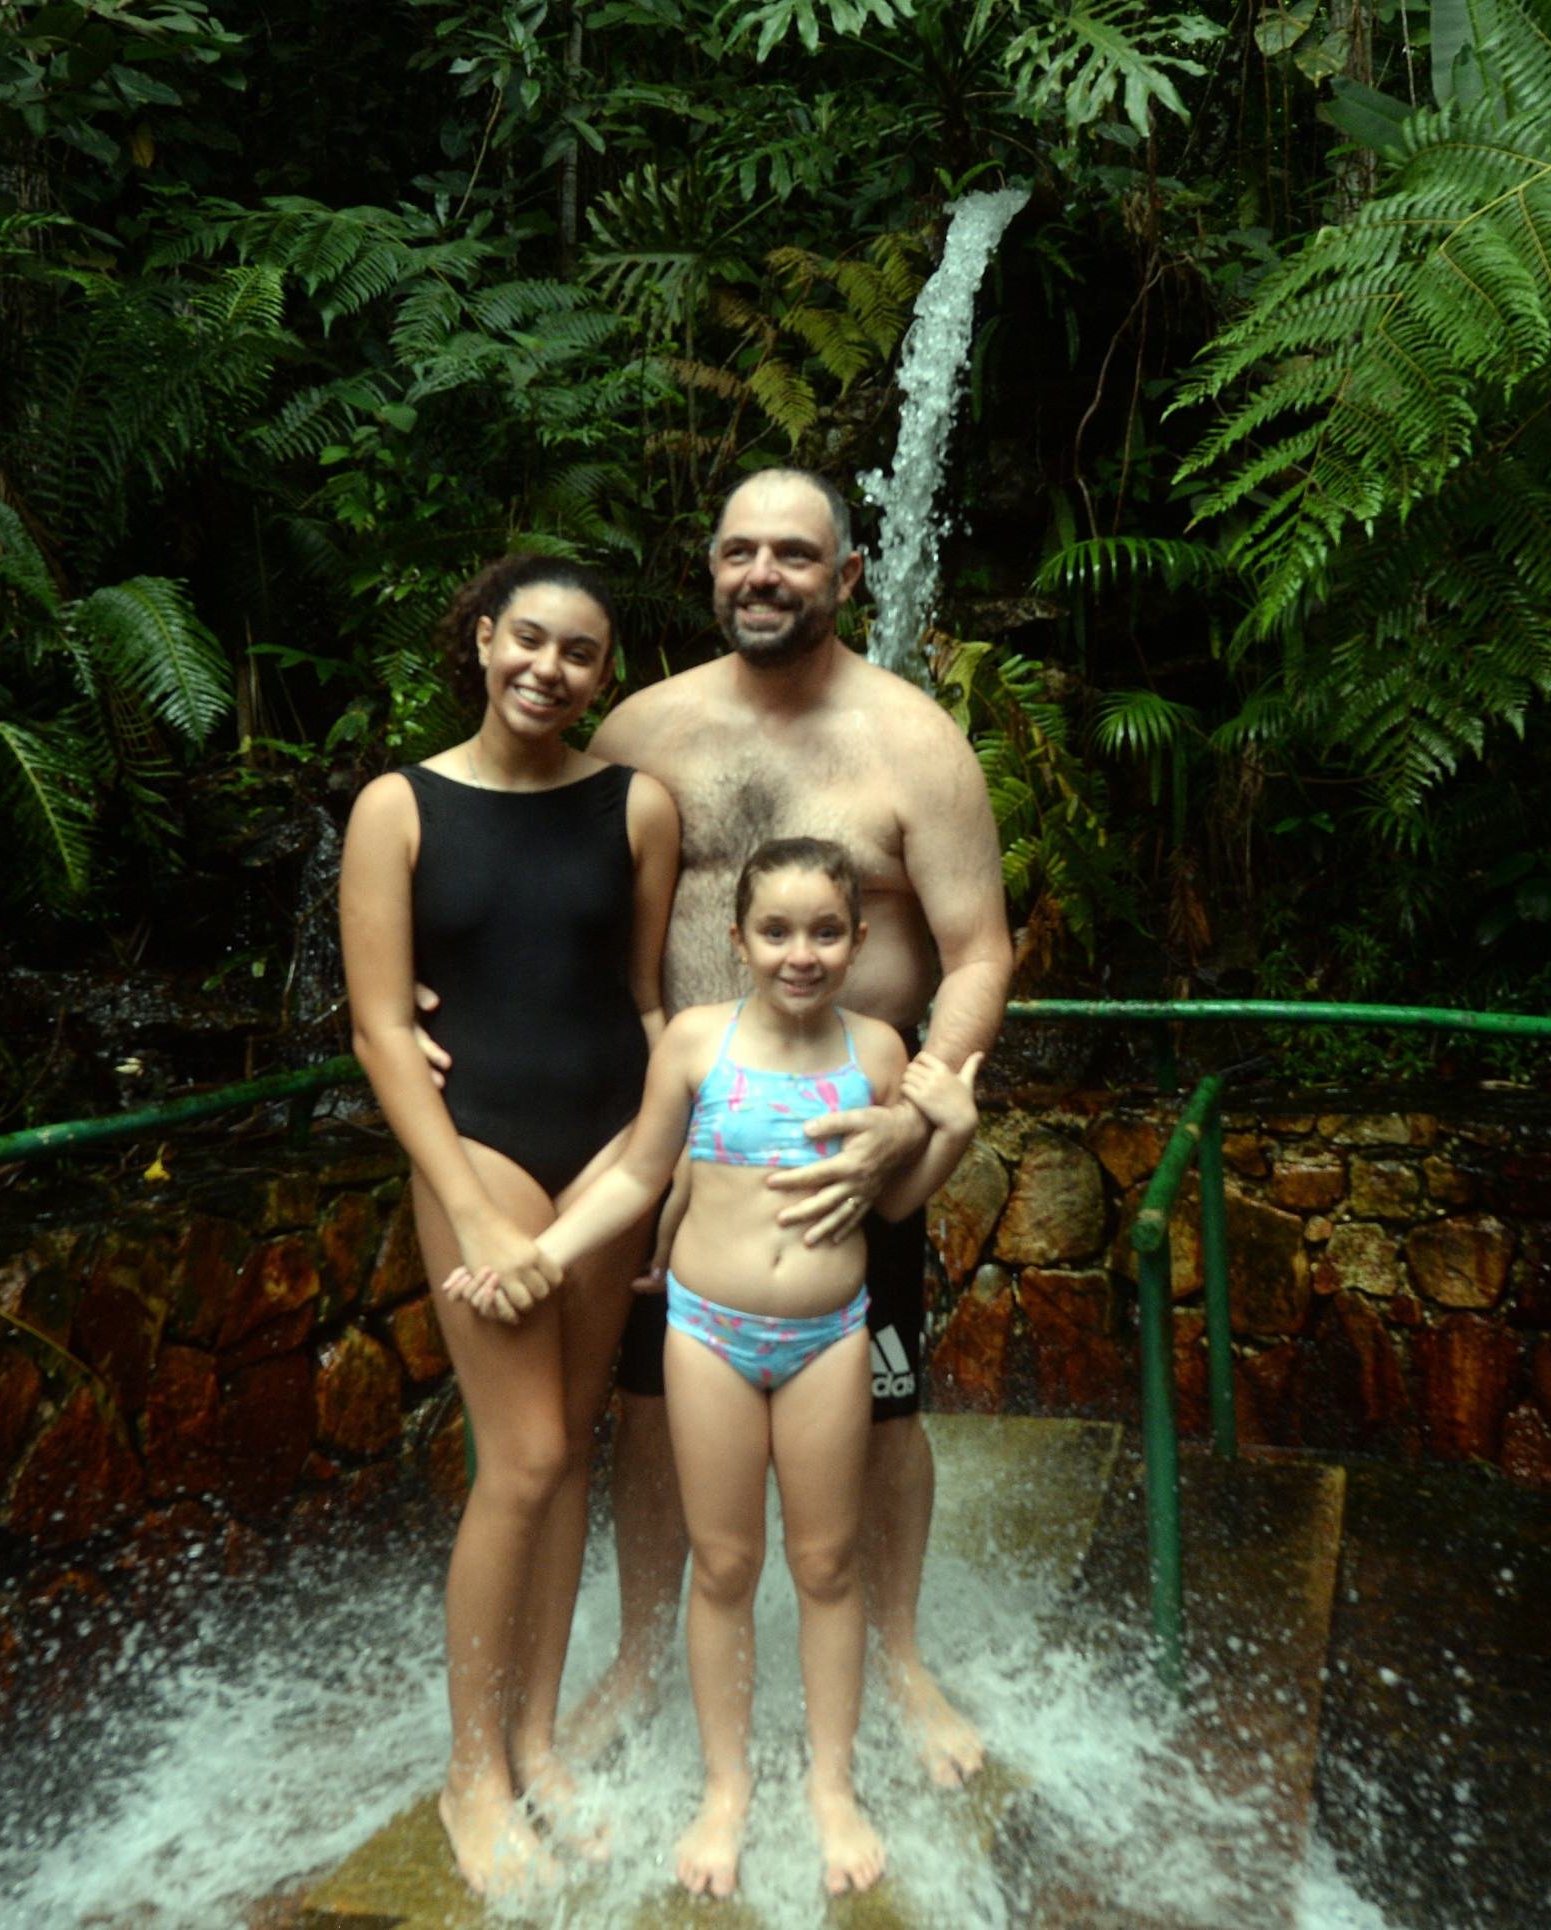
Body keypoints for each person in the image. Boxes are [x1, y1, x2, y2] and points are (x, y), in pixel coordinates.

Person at [564, 468, 1017, 1787]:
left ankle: (898, 1654)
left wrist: (910, 1111)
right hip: (689, 1141)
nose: (763, 574)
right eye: (738, 552)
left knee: (884, 1402)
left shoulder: (911, 741)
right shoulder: (644, 728)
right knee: (647, 1403)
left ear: (847, 575)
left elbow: (979, 951)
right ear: (709, 568)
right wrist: (416, 983)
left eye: (794, 555)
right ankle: (645, 1650)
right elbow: (541, 878)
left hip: (845, 1147)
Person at [455, 836, 985, 1898]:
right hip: (706, 1335)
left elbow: (891, 1201)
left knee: (827, 1564)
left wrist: (952, 1130)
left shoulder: (877, 1051)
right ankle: (726, 1787)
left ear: (859, 939)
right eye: (777, 931)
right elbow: (640, 1175)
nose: (801, 953)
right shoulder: (698, 1043)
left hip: (829, 1335)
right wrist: (540, 1253)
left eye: (825, 931)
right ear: (735, 939)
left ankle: (829, 1787)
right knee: (726, 1564)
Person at [335, 554, 677, 1900]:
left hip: (604, 1146)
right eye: (525, 639)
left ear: (607, 673)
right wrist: (469, 1199)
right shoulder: (395, 807)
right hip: (475, 1142)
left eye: (579, 652)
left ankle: (535, 1736)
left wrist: (661, 1164)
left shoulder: (637, 805)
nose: (547, 667)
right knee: (521, 1455)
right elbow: (377, 1026)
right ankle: (468, 1765)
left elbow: (644, 997)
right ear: (480, 640)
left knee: (574, 1445)